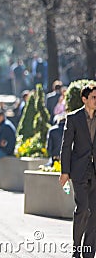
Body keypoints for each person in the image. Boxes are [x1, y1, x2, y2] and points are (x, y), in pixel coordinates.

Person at [60, 84, 96, 258]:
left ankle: (89, 252)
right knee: (83, 208)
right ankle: (76, 248)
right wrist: (64, 172)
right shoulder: (73, 118)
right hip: (80, 171)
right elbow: (66, 146)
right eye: (94, 98)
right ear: (84, 99)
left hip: (95, 171)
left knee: (94, 212)